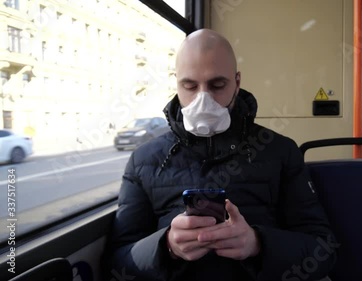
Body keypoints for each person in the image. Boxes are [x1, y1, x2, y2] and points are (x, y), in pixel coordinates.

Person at [103, 29, 336, 281]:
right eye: (190, 86)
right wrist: (166, 246)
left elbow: (323, 251)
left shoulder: (280, 152)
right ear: (177, 83)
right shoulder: (144, 161)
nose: (203, 101)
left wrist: (257, 245)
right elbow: (117, 265)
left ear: (237, 82)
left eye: (217, 85)